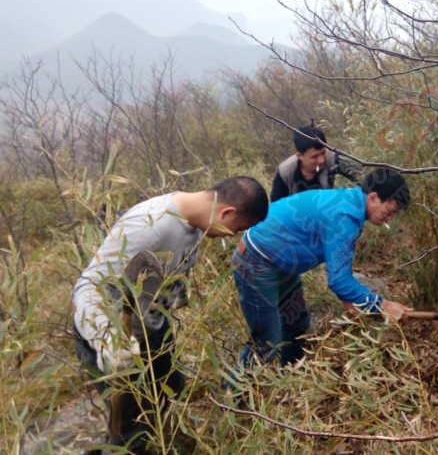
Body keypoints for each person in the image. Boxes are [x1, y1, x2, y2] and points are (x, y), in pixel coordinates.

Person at [72, 176, 269, 449]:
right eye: (236, 229)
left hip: (151, 327)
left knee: (171, 387)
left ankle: (163, 440)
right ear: (226, 212)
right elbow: (88, 287)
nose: (232, 236)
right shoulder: (147, 225)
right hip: (112, 336)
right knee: (131, 429)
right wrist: (107, 340)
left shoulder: (200, 220)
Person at [232, 168, 413, 369]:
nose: (390, 219)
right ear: (373, 197)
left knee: (296, 324)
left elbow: (338, 268)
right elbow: (339, 281)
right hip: (256, 262)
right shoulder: (344, 217)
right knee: (267, 340)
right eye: (390, 211)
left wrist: (351, 299)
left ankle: (290, 375)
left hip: (280, 264)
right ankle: (235, 396)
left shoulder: (349, 202)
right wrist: (382, 304)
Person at [270, 124, 363, 201]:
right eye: (314, 157)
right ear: (300, 156)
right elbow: (276, 207)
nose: (321, 160)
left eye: (323, 153)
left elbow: (362, 177)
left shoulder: (332, 158)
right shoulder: (285, 171)